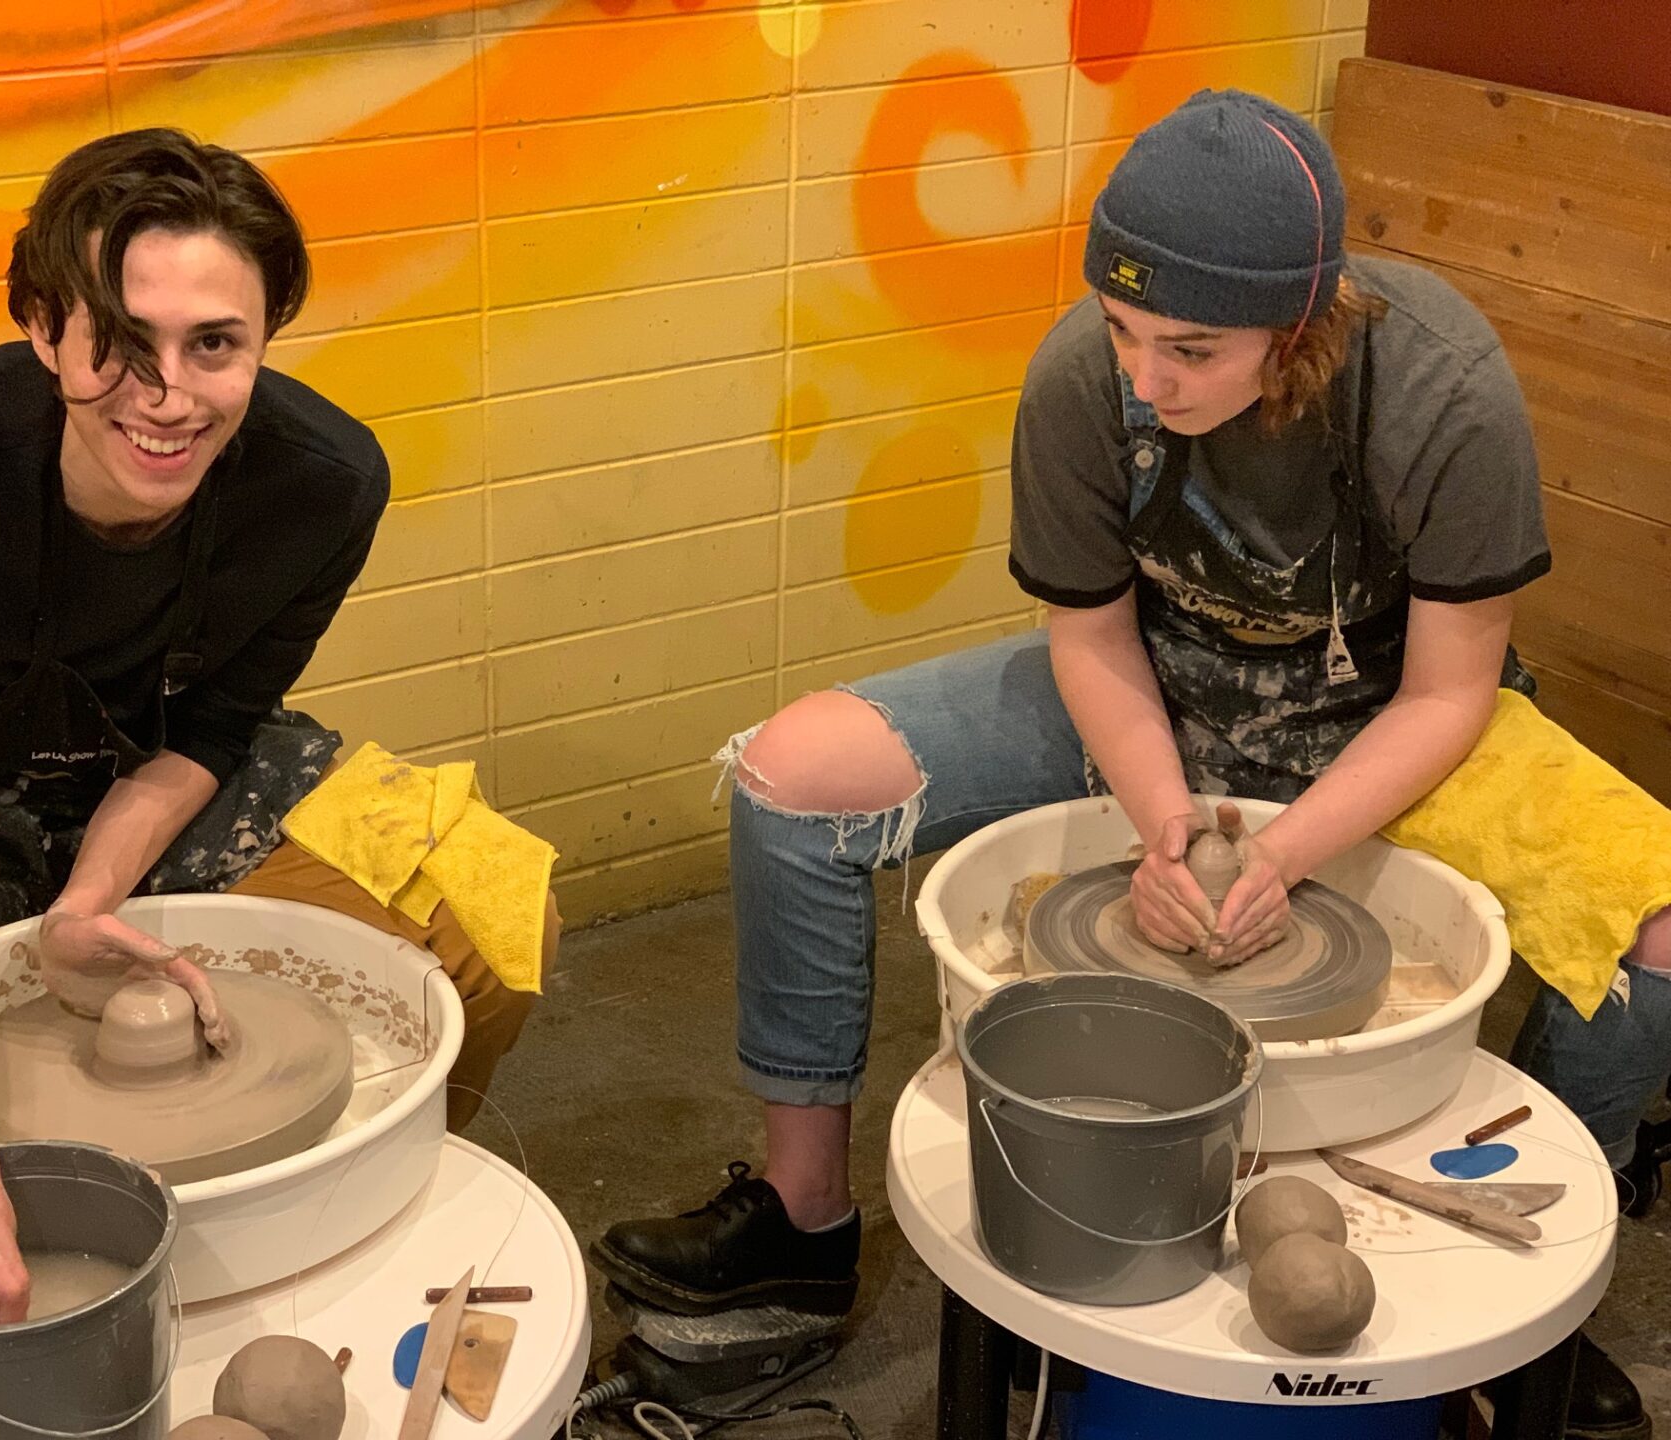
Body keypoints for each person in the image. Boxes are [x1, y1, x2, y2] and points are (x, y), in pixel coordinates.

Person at [593, 91, 1669, 1439]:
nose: (1145, 380)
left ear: (1305, 326)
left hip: (1384, 713)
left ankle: (1541, 1278)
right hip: (1156, 685)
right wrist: (1165, 826)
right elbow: (1090, 633)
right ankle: (801, 1227)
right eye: (1123, 330)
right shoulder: (1079, 380)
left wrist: (1281, 852)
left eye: (1192, 349)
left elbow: (1454, 692)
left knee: (1662, 930)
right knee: (796, 774)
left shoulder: (1443, 393)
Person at [0, 127, 554, 1369]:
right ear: (42, 326)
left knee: (480, 912)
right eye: (119, 345)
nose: (166, 396)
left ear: (265, 338)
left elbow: (216, 730)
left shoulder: (324, 481)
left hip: (154, 774)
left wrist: (88, 901)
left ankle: (326, 1241)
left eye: (213, 345)